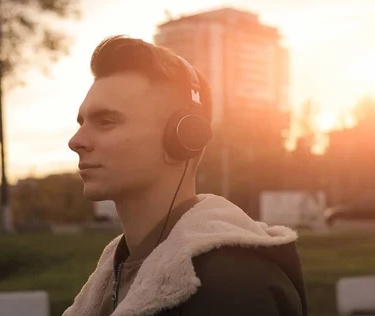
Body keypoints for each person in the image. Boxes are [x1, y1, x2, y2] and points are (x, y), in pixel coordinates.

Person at [63, 35, 308, 316]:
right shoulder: (118, 271)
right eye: (82, 122)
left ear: (184, 136)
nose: (76, 140)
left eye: (106, 121)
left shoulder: (233, 287)